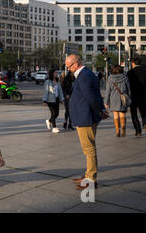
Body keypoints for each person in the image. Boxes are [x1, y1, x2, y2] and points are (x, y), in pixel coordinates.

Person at [65, 55, 109, 191]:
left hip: (85, 118)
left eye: (69, 66)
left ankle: (91, 179)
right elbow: (96, 94)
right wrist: (101, 110)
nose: (68, 69)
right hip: (88, 116)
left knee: (89, 149)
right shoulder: (88, 73)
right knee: (89, 148)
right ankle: (88, 175)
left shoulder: (83, 76)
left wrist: (100, 112)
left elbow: (91, 97)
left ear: (76, 64)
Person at [127, 58, 146, 136]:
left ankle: (138, 130)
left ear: (133, 63)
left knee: (134, 113)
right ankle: (145, 124)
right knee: (143, 112)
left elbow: (127, 85)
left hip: (133, 96)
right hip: (143, 96)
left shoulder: (130, 72)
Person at [105, 65, 131, 137]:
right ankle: (123, 129)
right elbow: (128, 89)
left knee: (115, 115)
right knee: (122, 114)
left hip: (113, 99)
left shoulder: (110, 78)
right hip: (123, 99)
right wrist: (129, 97)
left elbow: (108, 91)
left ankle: (117, 131)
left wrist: (106, 102)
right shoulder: (125, 78)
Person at [42, 69, 65, 134]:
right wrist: (44, 100)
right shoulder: (48, 81)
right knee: (53, 113)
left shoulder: (57, 81)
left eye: (57, 72)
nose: (57, 73)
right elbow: (46, 91)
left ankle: (49, 121)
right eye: (55, 72)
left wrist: (62, 99)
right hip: (50, 100)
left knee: (57, 114)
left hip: (56, 99)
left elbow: (60, 91)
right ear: (52, 73)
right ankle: (54, 128)